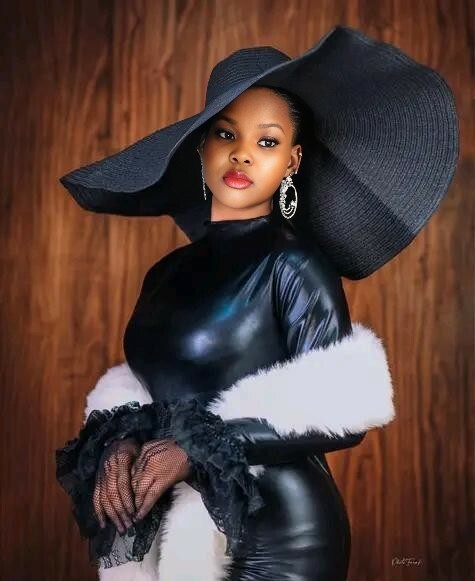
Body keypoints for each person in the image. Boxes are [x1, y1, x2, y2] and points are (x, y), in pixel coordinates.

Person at [55, 25, 459, 581]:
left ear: (292, 160)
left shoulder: (293, 262)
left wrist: (194, 448)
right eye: (225, 134)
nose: (242, 153)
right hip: (180, 535)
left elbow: (343, 408)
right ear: (202, 148)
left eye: (266, 142)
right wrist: (121, 441)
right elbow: (155, 387)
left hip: (281, 537)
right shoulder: (165, 273)